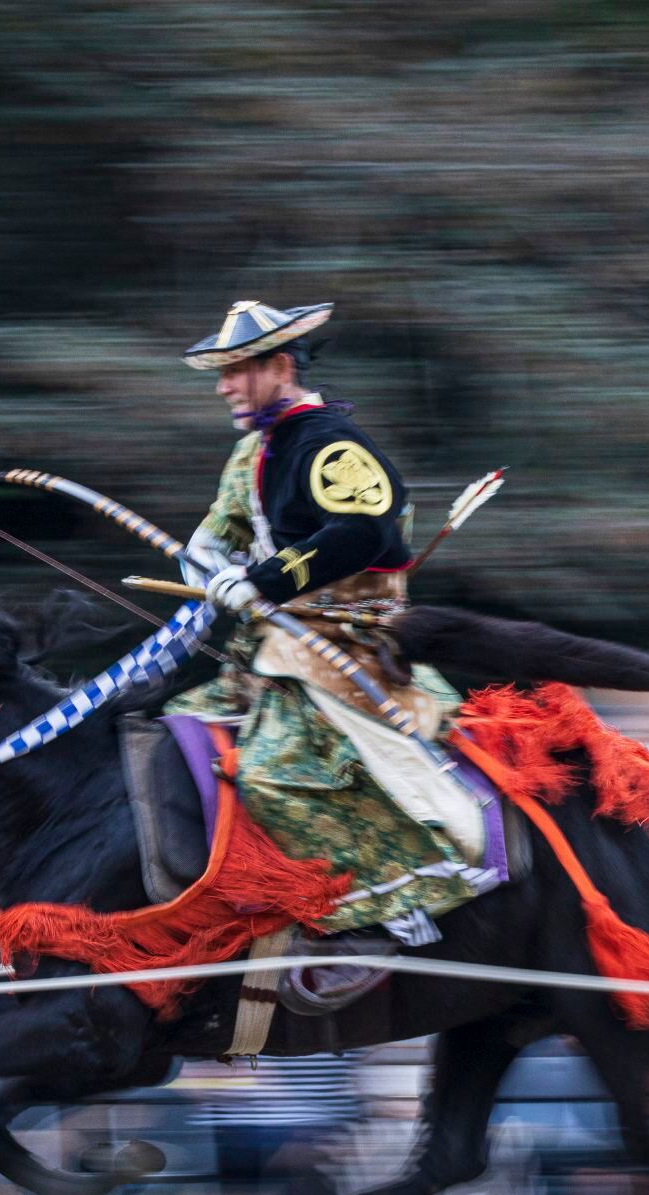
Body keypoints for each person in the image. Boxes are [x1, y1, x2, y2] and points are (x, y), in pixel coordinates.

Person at [167, 299, 487, 936]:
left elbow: (364, 532)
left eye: (239, 370)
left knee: (271, 773)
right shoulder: (255, 449)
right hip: (273, 646)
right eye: (222, 372)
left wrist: (259, 580)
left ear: (281, 366)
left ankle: (403, 894)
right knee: (182, 733)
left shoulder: (328, 444)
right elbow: (225, 525)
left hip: (345, 642)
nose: (223, 385)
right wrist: (203, 559)